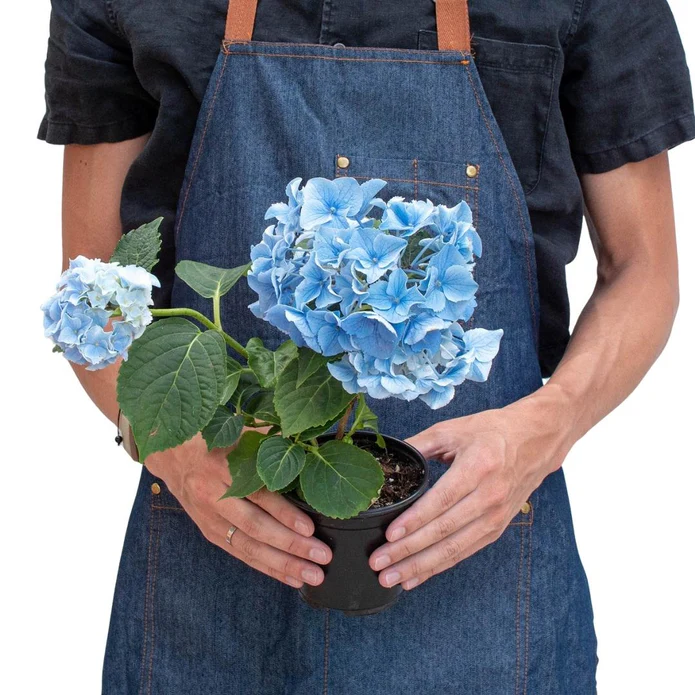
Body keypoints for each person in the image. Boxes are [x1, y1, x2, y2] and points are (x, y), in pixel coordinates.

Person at [39, 0, 693, 692]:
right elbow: (92, 286)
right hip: (213, 564)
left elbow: (642, 267)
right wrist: (166, 446)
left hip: (484, 570)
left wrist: (547, 427)